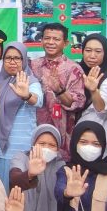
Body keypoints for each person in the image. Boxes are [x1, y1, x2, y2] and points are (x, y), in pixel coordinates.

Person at [28, 23, 85, 160]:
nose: (50, 42)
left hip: (62, 137)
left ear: (65, 43)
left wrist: (59, 90)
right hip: (34, 132)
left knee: (59, 175)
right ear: (41, 40)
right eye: (47, 38)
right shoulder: (32, 65)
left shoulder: (73, 69)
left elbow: (77, 104)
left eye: (56, 39)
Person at [0, 42, 42, 183]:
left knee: (18, 192)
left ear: (24, 60)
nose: (12, 62)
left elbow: (38, 100)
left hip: (20, 151)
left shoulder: (31, 82)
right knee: (0, 192)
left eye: (17, 58)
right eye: (8, 58)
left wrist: (26, 95)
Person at [10, 125, 65, 211]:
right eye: (41, 143)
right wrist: (29, 174)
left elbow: (62, 194)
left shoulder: (60, 165)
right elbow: (14, 179)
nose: (46, 148)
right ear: (33, 144)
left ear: (58, 149)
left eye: (52, 145)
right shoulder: (21, 157)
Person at [74, 33, 107, 150]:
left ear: (105, 53)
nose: (92, 56)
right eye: (88, 50)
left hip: (98, 135)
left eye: (98, 51)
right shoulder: (75, 72)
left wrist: (93, 91)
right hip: (75, 133)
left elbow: (103, 110)